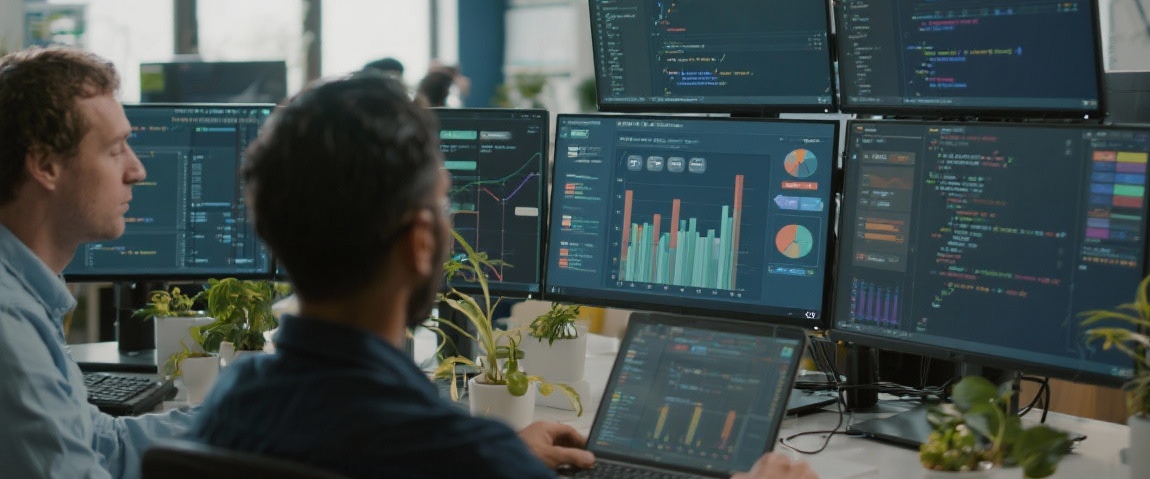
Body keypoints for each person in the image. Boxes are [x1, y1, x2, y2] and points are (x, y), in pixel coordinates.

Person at [192, 73, 815, 479]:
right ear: (420, 242)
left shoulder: (231, 403)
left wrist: (502, 452)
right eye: (444, 201)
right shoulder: (466, 459)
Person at [0, 46, 196, 479]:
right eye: (115, 150)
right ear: (45, 166)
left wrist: (242, 418)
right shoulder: (8, 323)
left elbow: (103, 444)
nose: (137, 171)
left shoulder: (28, 296)